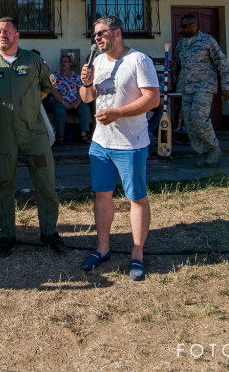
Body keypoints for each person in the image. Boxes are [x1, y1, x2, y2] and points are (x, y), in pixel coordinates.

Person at [0, 17, 63, 258]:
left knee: (45, 182)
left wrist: (27, 107)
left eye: (7, 31)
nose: (2, 35)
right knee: (1, 186)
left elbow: (47, 86)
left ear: (17, 35)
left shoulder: (33, 61)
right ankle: (7, 235)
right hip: (2, 137)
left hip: (34, 134)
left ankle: (49, 232)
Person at [78, 15, 159, 281]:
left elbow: (152, 99)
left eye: (101, 33)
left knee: (136, 198)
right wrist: (87, 83)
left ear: (118, 33)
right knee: (102, 196)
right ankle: (103, 249)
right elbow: (88, 98)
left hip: (130, 143)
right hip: (101, 143)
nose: (97, 39)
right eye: (95, 36)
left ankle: (137, 253)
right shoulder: (97, 61)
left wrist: (118, 113)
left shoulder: (139, 60)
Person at [173, 14, 229, 166]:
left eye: (184, 26)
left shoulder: (208, 41)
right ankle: (201, 152)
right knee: (189, 121)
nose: (181, 29)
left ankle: (214, 148)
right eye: (181, 26)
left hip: (204, 86)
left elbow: (222, 63)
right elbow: (177, 66)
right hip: (186, 88)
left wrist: (226, 86)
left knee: (199, 119)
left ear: (194, 25)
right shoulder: (181, 44)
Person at [49, 54, 92, 145]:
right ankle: (60, 135)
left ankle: (84, 134)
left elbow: (82, 89)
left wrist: (77, 102)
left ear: (70, 63)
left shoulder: (77, 76)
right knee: (60, 111)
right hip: (60, 100)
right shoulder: (53, 76)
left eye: (66, 61)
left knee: (85, 108)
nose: (63, 63)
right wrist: (64, 103)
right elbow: (53, 91)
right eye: (62, 61)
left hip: (75, 100)